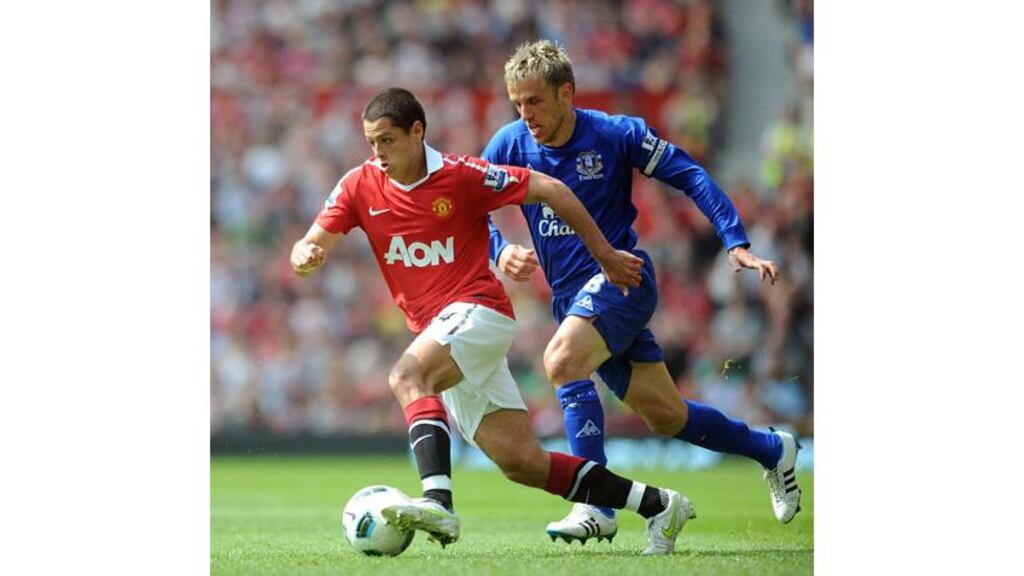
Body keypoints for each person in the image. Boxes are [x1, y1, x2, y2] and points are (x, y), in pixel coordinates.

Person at [290, 88, 697, 555]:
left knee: (407, 375)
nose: (377, 153)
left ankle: (438, 500)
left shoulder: (462, 175)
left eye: (386, 141)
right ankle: (659, 505)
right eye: (371, 143)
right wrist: (306, 253)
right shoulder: (358, 185)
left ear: (417, 132)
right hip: (439, 331)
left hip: (479, 310)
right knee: (522, 462)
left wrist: (603, 254)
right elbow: (310, 241)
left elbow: (552, 189)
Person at [482, 40, 802, 544]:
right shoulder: (508, 144)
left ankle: (596, 506)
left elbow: (690, 174)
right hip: (571, 299)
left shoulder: (614, 134)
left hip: (622, 279)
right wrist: (499, 249)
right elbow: (471, 208)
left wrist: (735, 241)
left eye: (535, 101)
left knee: (561, 361)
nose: (526, 115)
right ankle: (772, 449)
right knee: (667, 416)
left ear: (566, 93)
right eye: (517, 103)